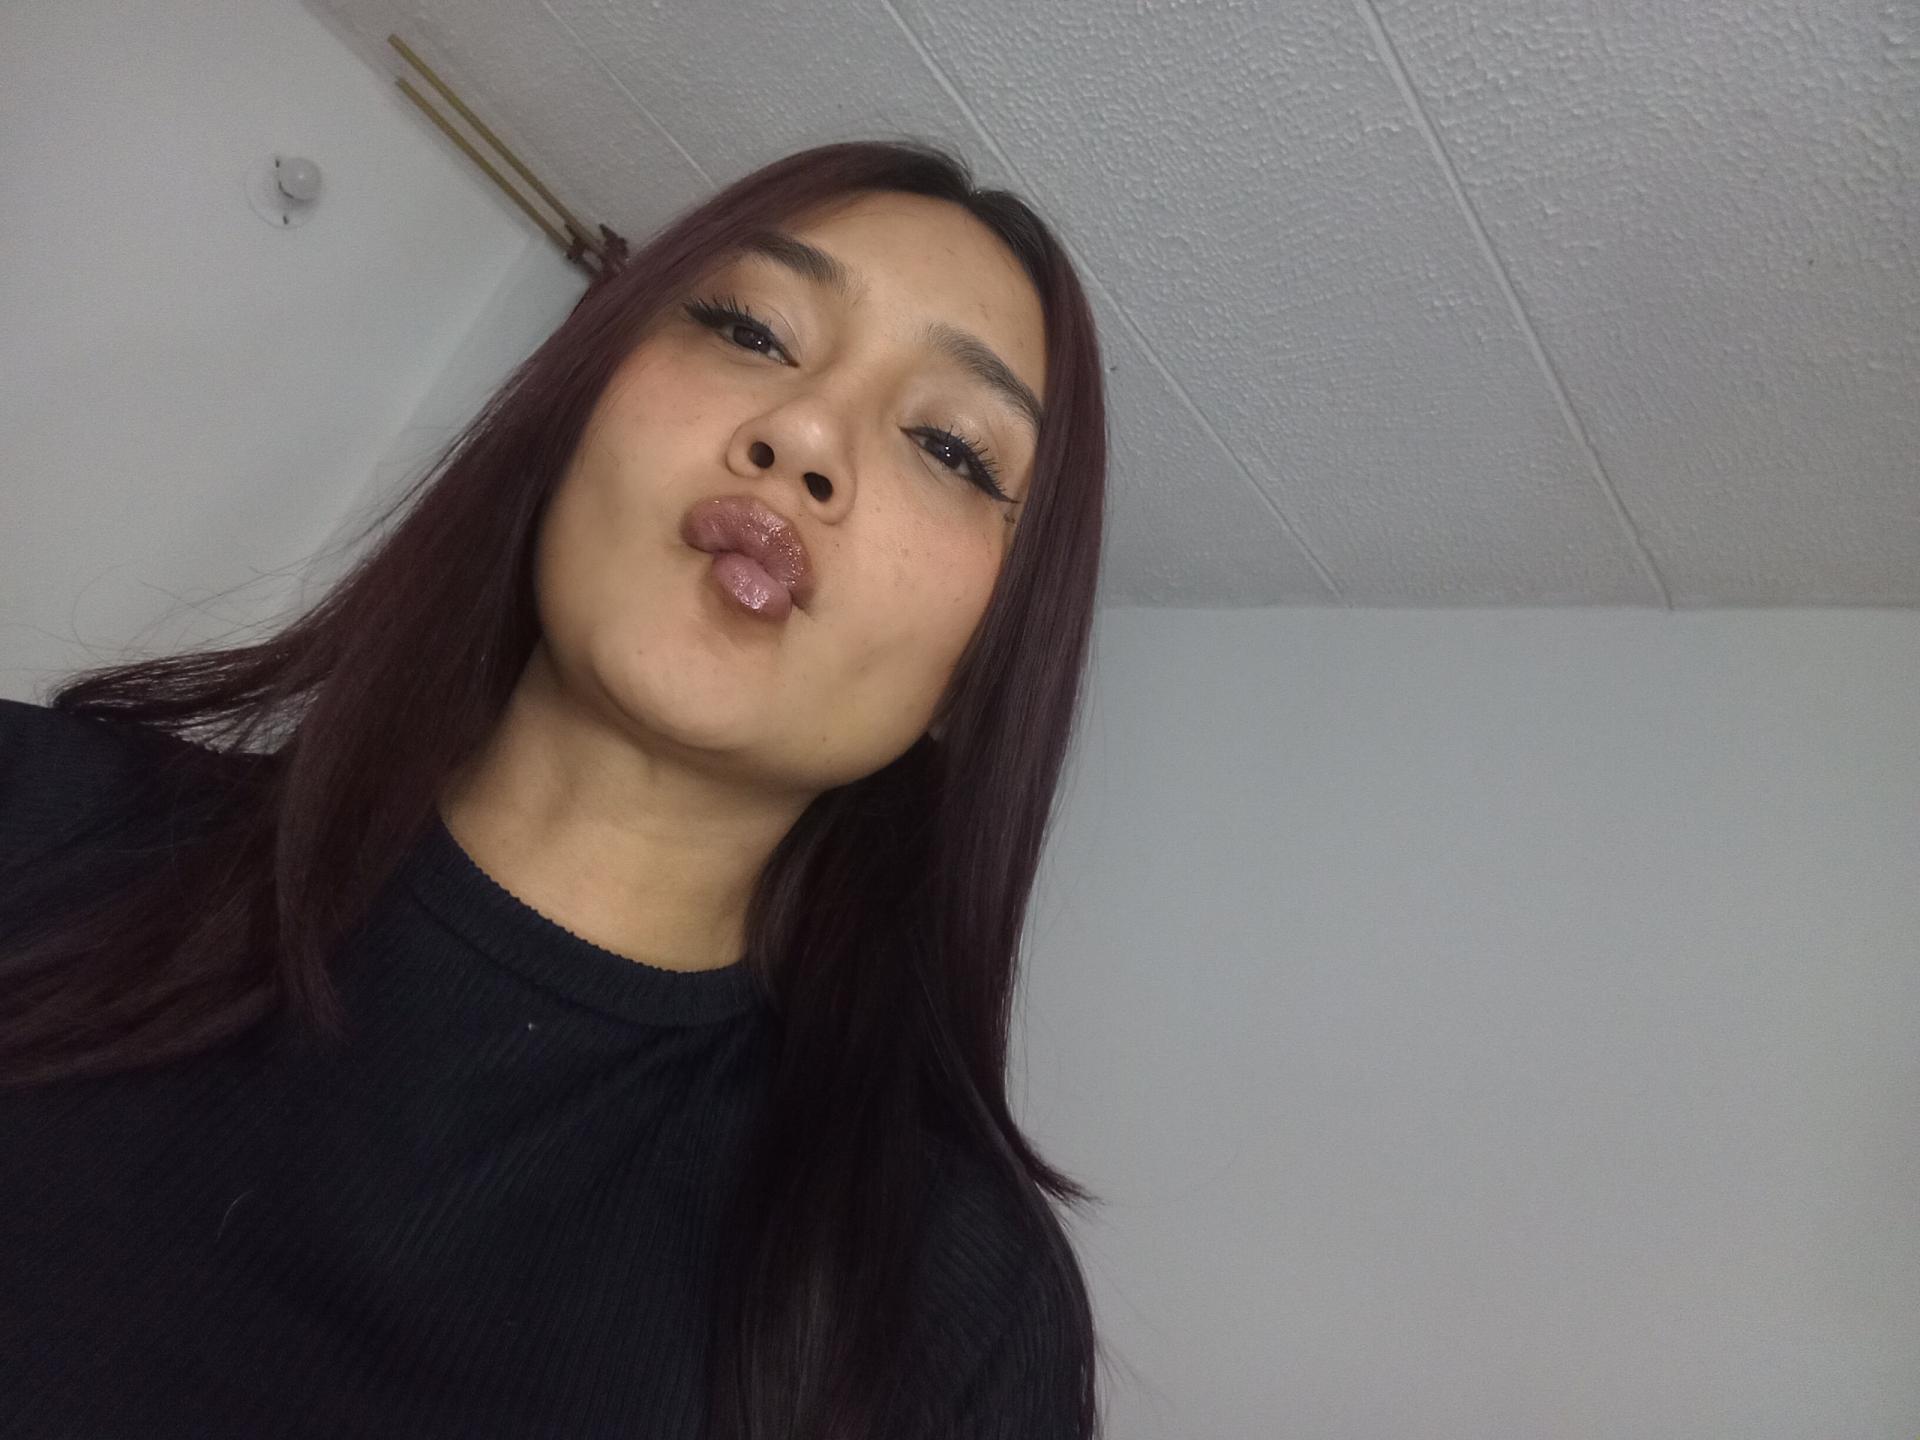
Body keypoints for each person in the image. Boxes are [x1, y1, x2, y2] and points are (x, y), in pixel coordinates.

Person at [0, 140, 1106, 1438]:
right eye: (750, 329)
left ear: (984, 670)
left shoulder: (955, 1313)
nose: (806, 433)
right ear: (576, 409)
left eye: (951, 447)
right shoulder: (37, 814)